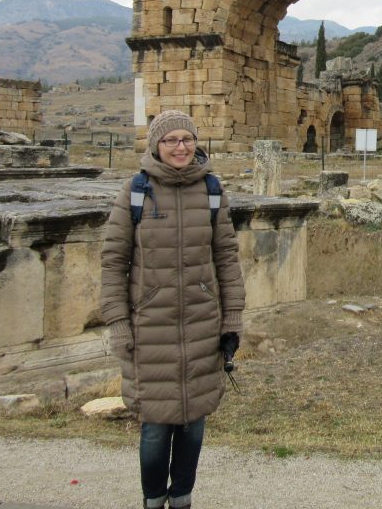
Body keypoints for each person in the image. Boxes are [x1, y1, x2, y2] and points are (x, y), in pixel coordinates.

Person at [101, 110, 245, 509]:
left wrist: (232, 319)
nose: (180, 147)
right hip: (151, 325)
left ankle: (182, 498)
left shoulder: (213, 190)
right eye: (170, 140)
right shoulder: (135, 191)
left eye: (187, 139)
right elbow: (113, 261)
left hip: (201, 324)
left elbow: (227, 259)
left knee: (194, 426)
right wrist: (117, 322)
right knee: (154, 429)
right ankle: (152, 500)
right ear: (155, 146)